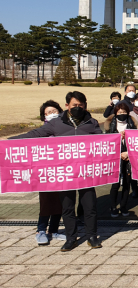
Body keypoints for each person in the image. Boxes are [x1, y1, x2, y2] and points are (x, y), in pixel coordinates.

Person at [11, 91, 103, 251]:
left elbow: (102, 142)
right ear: (67, 106)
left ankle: (92, 236)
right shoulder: (57, 123)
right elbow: (35, 134)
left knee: (89, 206)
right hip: (65, 172)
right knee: (67, 207)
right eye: (75, 105)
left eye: (81, 105)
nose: (78, 108)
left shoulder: (92, 122)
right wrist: (10, 142)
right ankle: (71, 238)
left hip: (85, 172)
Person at [35, 101, 66, 245]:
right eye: (47, 113)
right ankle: (41, 230)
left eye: (54, 111)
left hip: (61, 171)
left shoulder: (64, 129)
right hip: (45, 173)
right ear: (43, 116)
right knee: (46, 202)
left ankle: (53, 230)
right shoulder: (40, 132)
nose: (51, 114)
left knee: (60, 202)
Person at [107, 102, 137, 218]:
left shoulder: (131, 123)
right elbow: (108, 143)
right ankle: (113, 206)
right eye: (120, 112)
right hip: (115, 157)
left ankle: (123, 205)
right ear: (115, 113)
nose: (122, 114)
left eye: (124, 112)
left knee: (127, 183)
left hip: (128, 157)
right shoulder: (110, 125)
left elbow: (136, 142)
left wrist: (128, 153)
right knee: (115, 184)